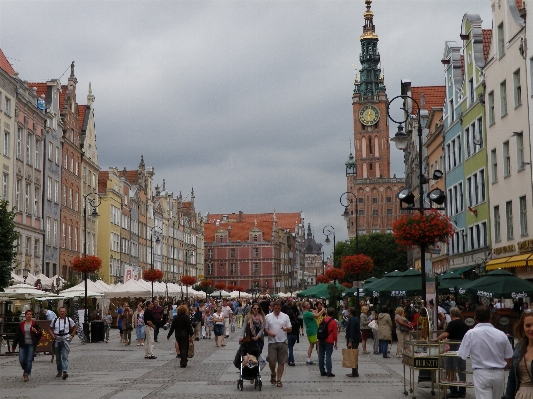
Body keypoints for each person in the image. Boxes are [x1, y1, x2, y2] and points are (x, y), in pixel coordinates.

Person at [458, 305, 513, 399]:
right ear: (490, 317)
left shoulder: (470, 334)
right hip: (498, 373)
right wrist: (503, 368)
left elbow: (462, 355)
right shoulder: (501, 334)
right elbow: (509, 356)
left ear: (475, 318)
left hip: (481, 372)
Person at [432, 307, 470, 398]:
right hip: (463, 348)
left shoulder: (452, 323)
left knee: (451, 369)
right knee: (462, 370)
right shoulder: (464, 324)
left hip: (454, 347)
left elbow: (446, 334)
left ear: (451, 315)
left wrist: (436, 339)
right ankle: (462, 391)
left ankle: (454, 390)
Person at [504, 309, 533, 399]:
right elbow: (512, 377)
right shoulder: (519, 347)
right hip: (520, 394)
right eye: (528, 325)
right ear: (522, 327)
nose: (531, 329)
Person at [264, 301, 291, 387]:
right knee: (271, 360)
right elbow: (265, 328)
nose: (277, 310)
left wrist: (286, 328)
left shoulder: (285, 316)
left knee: (281, 361)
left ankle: (279, 380)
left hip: (283, 341)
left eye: (279, 309)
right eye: (275, 309)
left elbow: (290, 328)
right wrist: (269, 333)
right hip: (272, 342)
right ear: (272, 308)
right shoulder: (268, 317)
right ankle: (273, 373)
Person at [12, 309, 42, 382]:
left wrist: (36, 331)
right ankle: (26, 369)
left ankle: (26, 374)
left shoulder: (35, 324)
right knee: (22, 360)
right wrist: (14, 345)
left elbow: (40, 334)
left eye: (30, 314)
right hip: (23, 344)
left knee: (29, 360)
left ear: (32, 316)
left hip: (31, 344)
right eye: (27, 314)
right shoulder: (21, 324)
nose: (29, 316)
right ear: (25, 315)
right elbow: (17, 335)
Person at [49, 307, 77, 380]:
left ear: (66, 312)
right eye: (61, 311)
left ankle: (64, 371)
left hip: (65, 339)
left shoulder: (68, 320)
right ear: (59, 312)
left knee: (64, 356)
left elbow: (74, 327)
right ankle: (59, 371)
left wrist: (72, 335)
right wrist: (52, 335)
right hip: (57, 340)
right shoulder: (54, 320)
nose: (62, 313)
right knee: (58, 357)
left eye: (63, 311)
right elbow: (50, 329)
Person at [317, 307, 338, 377]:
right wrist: (336, 343)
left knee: (321, 355)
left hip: (322, 339)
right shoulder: (333, 322)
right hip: (329, 340)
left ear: (327, 313)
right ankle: (329, 372)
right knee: (328, 356)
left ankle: (322, 371)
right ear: (333, 313)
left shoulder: (323, 319)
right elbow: (335, 333)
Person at [345, 307, 360, 377]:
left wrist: (350, 341)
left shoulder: (352, 320)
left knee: (353, 355)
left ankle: (354, 372)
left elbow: (351, 331)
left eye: (348, 311)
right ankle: (354, 371)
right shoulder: (356, 319)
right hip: (356, 339)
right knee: (354, 355)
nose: (348, 312)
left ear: (350, 312)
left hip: (353, 340)